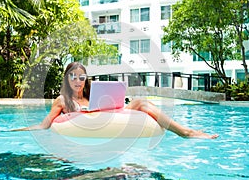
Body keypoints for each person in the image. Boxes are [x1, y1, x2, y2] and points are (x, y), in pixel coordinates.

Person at [12, 62, 219, 139]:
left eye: (81, 77)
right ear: (67, 79)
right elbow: (45, 125)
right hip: (88, 125)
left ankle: (185, 132)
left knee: (140, 102)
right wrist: (17, 131)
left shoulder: (92, 95)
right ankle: (186, 133)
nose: (77, 81)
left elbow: (112, 108)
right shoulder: (61, 100)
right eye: (73, 77)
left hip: (108, 117)